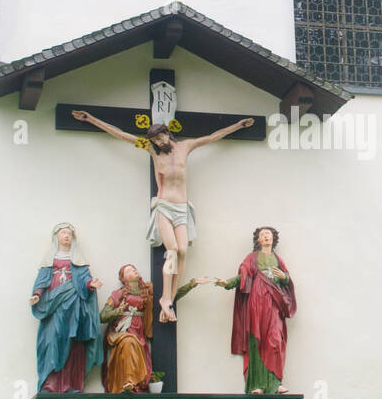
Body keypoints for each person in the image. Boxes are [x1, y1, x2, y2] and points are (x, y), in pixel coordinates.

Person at [71, 109, 253, 324]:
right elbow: (122, 135)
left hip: (182, 208)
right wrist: (91, 119)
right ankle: (165, 298)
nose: (158, 141)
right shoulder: (151, 150)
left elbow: (212, 137)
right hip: (164, 206)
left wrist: (238, 126)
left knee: (184, 250)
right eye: (154, 139)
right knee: (173, 250)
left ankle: (169, 298)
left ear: (168, 133)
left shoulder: (186, 147)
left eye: (160, 136)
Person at [100, 263, 209, 393]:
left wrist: (192, 283)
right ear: (123, 279)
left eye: (135, 268)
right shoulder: (117, 294)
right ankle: (128, 381)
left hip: (139, 333)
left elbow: (169, 299)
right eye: (129, 270)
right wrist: (118, 311)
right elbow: (103, 316)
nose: (134, 270)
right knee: (128, 341)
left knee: (133, 343)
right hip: (121, 333)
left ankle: (134, 385)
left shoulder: (148, 292)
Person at [216, 226, 296, 394]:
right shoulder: (252, 258)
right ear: (258, 240)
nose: (266, 236)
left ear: (273, 239)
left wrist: (284, 277)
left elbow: (287, 279)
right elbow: (243, 277)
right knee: (256, 341)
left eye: (269, 234)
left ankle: (275, 382)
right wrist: (227, 283)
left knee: (276, 340)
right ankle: (256, 385)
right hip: (257, 302)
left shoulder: (278, 259)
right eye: (263, 234)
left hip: (274, 303)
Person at [30, 223, 103, 393]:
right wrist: (37, 294)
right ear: (57, 236)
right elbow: (42, 280)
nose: (66, 236)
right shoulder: (50, 259)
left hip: (73, 308)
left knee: (72, 345)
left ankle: (69, 385)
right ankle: (49, 384)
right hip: (54, 307)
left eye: (69, 233)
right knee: (52, 341)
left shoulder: (78, 260)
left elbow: (85, 280)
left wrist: (91, 284)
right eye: (63, 233)